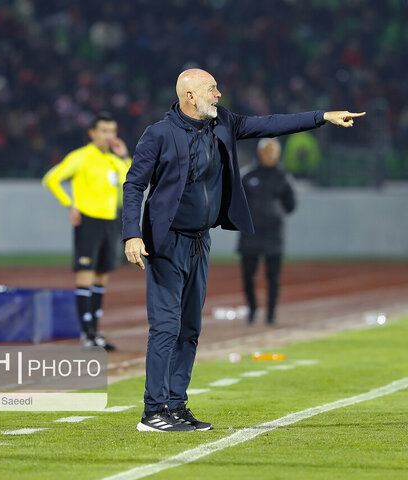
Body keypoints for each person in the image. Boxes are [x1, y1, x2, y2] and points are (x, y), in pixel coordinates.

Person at [123, 68, 364, 432]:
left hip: (200, 241)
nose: (219, 94)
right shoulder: (158, 135)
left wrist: (322, 117)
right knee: (165, 328)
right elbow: (133, 185)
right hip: (167, 242)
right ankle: (152, 412)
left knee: (189, 329)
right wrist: (131, 234)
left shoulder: (224, 124)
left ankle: (176, 405)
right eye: (211, 89)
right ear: (189, 95)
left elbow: (270, 124)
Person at [42, 112, 130, 351]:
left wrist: (124, 157)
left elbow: (132, 180)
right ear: (92, 133)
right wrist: (69, 204)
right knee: (85, 275)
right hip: (89, 221)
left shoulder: (114, 160)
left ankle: (94, 332)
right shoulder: (80, 157)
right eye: (103, 130)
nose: (109, 135)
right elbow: (51, 179)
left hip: (110, 221)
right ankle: (86, 334)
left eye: (112, 131)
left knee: (101, 276)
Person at [238, 138, 295, 325]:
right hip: (250, 233)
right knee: (247, 275)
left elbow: (290, 205)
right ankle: (252, 309)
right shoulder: (247, 175)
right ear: (260, 153)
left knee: (273, 277)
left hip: (273, 234)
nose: (270, 155)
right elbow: (238, 202)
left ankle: (271, 314)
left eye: (273, 152)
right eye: (267, 151)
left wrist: (275, 214)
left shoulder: (283, 177)